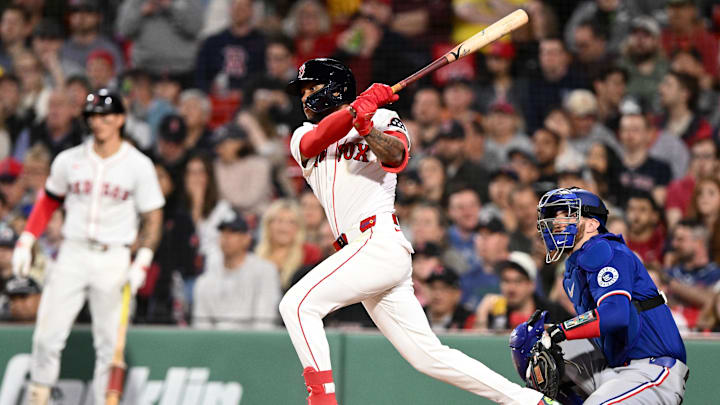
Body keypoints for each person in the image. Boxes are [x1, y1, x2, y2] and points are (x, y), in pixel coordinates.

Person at [280, 58, 554, 405]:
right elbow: (315, 142)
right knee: (428, 356)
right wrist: (355, 112)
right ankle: (531, 402)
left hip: (377, 242)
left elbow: (396, 157)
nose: (305, 96)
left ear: (336, 87)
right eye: (302, 90)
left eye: (312, 87)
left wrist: (367, 126)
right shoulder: (302, 134)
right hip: (357, 254)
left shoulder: (380, 117)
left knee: (297, 304)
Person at [11, 89, 165, 405]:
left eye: (106, 116)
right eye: (93, 116)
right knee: (46, 337)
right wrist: (28, 238)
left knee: (110, 346)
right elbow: (49, 200)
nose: (99, 123)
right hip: (73, 252)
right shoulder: (70, 160)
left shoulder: (138, 165)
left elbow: (153, 217)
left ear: (120, 119)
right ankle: (38, 399)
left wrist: (142, 261)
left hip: (114, 257)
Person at [510, 187, 688, 404]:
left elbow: (615, 315)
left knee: (553, 337)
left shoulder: (605, 250)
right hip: (615, 368)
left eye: (566, 214)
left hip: (652, 367)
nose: (556, 222)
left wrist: (561, 330)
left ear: (593, 224)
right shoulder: (573, 270)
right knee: (530, 339)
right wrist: (550, 333)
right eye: (553, 215)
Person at [192, 209, 280, 329]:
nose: (227, 237)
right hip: (216, 344)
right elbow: (201, 328)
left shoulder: (265, 271)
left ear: (246, 239)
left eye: (233, 232)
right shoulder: (205, 281)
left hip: (253, 344)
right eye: (223, 232)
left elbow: (265, 322)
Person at [475, 251, 571, 331]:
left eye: (518, 281)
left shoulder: (554, 313)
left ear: (532, 285)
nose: (511, 288)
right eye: (506, 281)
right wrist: (482, 315)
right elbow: (480, 349)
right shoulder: (494, 312)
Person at [423, 265, 476, 332]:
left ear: (457, 294)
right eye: (433, 288)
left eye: (444, 288)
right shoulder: (416, 315)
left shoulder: (467, 318)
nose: (437, 295)